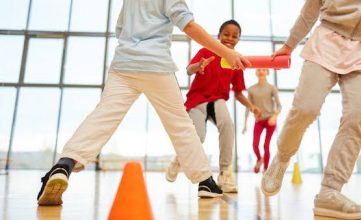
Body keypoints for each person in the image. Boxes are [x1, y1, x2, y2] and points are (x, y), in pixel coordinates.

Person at [36, 0, 251, 206]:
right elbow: (188, 25)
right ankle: (205, 181)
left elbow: (120, 29)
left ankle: (65, 164)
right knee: (181, 126)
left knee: (101, 118)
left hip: (123, 65)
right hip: (156, 66)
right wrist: (226, 52)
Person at [261, 0, 361, 219]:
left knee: (360, 116)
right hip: (328, 40)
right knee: (305, 109)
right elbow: (310, 9)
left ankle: (330, 190)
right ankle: (282, 157)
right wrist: (290, 44)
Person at [165, 20, 261, 193]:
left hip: (218, 100)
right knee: (198, 137)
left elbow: (238, 93)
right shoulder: (205, 51)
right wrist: (198, 65)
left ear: (239, 39)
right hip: (198, 99)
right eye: (226, 34)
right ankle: (179, 159)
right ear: (219, 35)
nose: (230, 38)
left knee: (228, 126)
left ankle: (224, 173)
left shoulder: (236, 61)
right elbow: (188, 70)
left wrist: (251, 106)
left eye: (234, 36)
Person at [242, 68, 281, 173]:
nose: (261, 71)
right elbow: (248, 107)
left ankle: (265, 170)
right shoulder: (251, 89)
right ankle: (260, 159)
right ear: (256, 72)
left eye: (264, 69)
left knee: (266, 145)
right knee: (255, 144)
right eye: (259, 69)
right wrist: (245, 124)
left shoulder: (272, 88)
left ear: (267, 72)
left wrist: (275, 116)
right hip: (259, 120)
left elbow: (279, 106)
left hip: (270, 121)